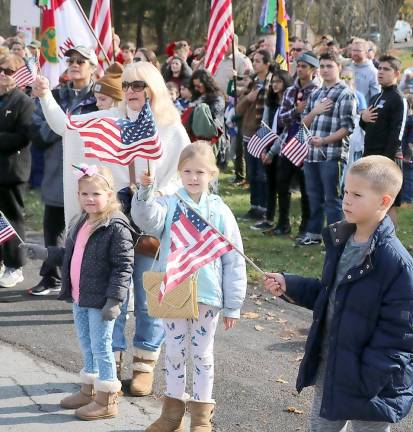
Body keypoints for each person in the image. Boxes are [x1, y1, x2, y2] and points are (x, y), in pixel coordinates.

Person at [32, 60, 190, 397]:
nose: (132, 92)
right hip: (111, 220)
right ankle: (110, 363)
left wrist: (159, 191)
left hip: (151, 220)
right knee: (111, 295)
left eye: (140, 86)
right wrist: (45, 95)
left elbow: (182, 169)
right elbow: (66, 125)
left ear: (153, 89)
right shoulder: (108, 120)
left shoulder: (170, 126)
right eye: (128, 85)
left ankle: (144, 365)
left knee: (149, 295)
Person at [263, 155, 413, 432]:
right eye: (345, 192)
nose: (346, 200)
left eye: (356, 194)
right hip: (332, 366)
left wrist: (366, 378)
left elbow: (399, 335)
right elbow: (329, 294)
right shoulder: (341, 241)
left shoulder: (397, 264)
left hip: (373, 382)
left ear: (384, 201)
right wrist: (290, 284)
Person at [132, 141, 247, 432]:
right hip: (174, 289)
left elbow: (234, 259)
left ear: (212, 174)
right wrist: (144, 193)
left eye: (200, 172)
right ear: (179, 173)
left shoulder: (220, 211)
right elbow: (147, 219)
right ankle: (171, 415)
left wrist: (233, 304)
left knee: (202, 355)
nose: (193, 177)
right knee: (173, 351)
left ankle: (200, 418)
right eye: (187, 171)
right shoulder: (170, 203)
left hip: (208, 295)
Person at [22, 165, 136, 420]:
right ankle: (89, 389)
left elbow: (123, 266)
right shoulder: (81, 221)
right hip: (80, 296)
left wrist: (115, 300)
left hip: (102, 301)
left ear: (109, 195)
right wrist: (45, 253)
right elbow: (70, 255)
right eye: (84, 194)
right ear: (78, 196)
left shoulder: (116, 226)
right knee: (86, 343)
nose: (90, 199)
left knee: (102, 346)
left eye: (96, 194)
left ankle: (107, 399)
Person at [28, 46, 99, 296]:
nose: (75, 64)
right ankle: (51, 277)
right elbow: (38, 128)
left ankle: (85, 280)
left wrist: (69, 128)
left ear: (93, 67)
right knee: (53, 226)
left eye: (81, 60)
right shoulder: (55, 95)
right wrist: (62, 127)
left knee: (90, 228)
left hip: (89, 175)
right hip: (57, 171)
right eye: (71, 60)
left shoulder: (100, 98)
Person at [300, 52, 356, 246]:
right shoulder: (316, 94)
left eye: (329, 66)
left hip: (332, 155)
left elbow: (347, 127)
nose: (325, 70)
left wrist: (324, 140)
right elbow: (304, 123)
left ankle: (336, 240)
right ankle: (314, 234)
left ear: (338, 67)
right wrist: (314, 111)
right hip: (311, 155)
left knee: (332, 199)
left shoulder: (345, 93)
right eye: (322, 66)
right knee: (314, 197)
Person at [265, 52, 320, 238]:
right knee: (282, 184)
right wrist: (296, 111)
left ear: (313, 70)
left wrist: (300, 115)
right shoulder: (290, 91)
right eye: (299, 65)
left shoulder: (316, 91)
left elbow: (313, 120)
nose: (300, 69)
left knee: (306, 188)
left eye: (305, 66)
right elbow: (281, 119)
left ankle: (305, 225)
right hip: (288, 143)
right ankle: (283, 222)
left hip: (307, 145)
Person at [360, 55, 408, 224]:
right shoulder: (375, 98)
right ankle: (373, 241)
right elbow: (369, 126)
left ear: (396, 73)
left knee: (388, 203)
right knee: (371, 200)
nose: (381, 72)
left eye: (386, 69)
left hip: (388, 158)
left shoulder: (398, 99)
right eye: (379, 68)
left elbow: (398, 133)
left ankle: (390, 243)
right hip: (369, 156)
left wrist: (385, 161)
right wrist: (362, 119)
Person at [0, 54, 34, 288]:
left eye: (9, 71)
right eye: (1, 69)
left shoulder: (24, 102)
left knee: (12, 219)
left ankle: (16, 265)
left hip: (12, 170)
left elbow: (24, 136)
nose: (3, 74)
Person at [253, 69, 293, 231]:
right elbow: (264, 124)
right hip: (269, 144)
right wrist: (263, 147)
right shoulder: (271, 101)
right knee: (270, 183)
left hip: (284, 148)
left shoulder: (288, 102)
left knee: (282, 185)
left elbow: (286, 130)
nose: (275, 85)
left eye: (279, 81)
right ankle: (268, 218)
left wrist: (272, 151)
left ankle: (284, 221)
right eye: (273, 82)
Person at [236, 49, 272, 219]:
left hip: (264, 134)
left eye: (258, 61)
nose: (254, 63)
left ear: (267, 64)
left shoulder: (272, 83)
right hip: (249, 132)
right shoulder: (253, 83)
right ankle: (254, 206)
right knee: (252, 173)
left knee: (261, 174)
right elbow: (239, 108)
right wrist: (249, 98)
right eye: (254, 60)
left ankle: (264, 208)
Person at [350, 38, 380, 105]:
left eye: (358, 51)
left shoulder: (373, 72)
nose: (355, 53)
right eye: (353, 50)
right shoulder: (348, 68)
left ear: (366, 52)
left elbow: (375, 97)